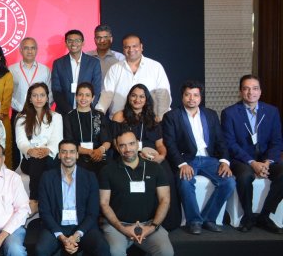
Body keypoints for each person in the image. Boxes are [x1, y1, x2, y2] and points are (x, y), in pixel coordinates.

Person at [162, 80, 235, 235]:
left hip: (210, 159)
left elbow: (221, 141)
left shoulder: (211, 114)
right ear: (182, 97)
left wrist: (224, 161)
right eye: (187, 95)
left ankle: (209, 219)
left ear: (200, 97)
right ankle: (194, 221)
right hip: (187, 160)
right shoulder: (171, 116)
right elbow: (170, 144)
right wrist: (181, 164)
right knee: (185, 182)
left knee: (229, 181)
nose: (191, 99)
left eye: (195, 95)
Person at [110, 84, 181, 230]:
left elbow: (160, 144)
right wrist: (133, 153)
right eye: (134, 95)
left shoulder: (152, 118)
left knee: (167, 175)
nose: (137, 99)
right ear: (129, 97)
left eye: (142, 96)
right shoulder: (119, 116)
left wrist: (161, 156)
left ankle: (166, 222)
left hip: (151, 156)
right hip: (128, 154)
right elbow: (115, 143)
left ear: (146, 99)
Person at [221, 75, 283, 233]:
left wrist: (268, 162)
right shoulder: (229, 113)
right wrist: (252, 163)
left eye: (255, 88)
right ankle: (248, 217)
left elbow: (276, 141)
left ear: (260, 91)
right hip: (241, 159)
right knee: (244, 176)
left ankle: (264, 215)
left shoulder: (271, 111)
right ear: (241, 91)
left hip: (266, 159)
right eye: (246, 88)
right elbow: (230, 144)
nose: (251, 92)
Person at [99, 131, 173, 256]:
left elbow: (165, 200)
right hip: (118, 225)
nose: (128, 149)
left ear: (138, 144)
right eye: (122, 145)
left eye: (131, 144)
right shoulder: (107, 171)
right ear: (117, 148)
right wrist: (122, 228)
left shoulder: (155, 168)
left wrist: (152, 227)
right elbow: (104, 203)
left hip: (149, 224)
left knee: (166, 252)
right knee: (115, 252)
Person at [36, 140, 109, 256]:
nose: (68, 156)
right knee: (41, 249)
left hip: (82, 226)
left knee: (102, 246)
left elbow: (93, 213)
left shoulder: (89, 177)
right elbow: (44, 212)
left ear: (77, 154)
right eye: (64, 152)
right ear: (59, 155)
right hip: (56, 225)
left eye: (71, 152)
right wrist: (62, 237)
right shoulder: (47, 177)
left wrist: (76, 235)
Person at [96, 34, 171, 120]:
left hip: (149, 122)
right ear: (123, 49)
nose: (131, 49)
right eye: (127, 47)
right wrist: (98, 114)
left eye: (134, 46)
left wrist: (161, 118)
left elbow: (163, 95)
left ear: (141, 47)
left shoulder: (155, 67)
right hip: (120, 121)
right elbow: (107, 94)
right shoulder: (114, 69)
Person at [15, 82, 62, 213]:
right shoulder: (21, 118)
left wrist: (47, 150)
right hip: (29, 161)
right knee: (37, 160)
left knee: (44, 162)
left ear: (47, 97)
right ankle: (39, 201)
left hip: (50, 157)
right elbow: (21, 141)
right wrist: (30, 150)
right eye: (35, 96)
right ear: (30, 98)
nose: (39, 98)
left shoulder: (57, 117)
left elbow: (57, 139)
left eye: (42, 95)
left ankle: (34, 199)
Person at [9, 37, 52, 167]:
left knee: (39, 143)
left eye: (33, 48)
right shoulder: (11, 70)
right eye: (26, 48)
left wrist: (41, 108)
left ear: (37, 50)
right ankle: (17, 171)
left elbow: (49, 92)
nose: (30, 51)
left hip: (40, 114)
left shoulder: (45, 70)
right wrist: (22, 108)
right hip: (19, 113)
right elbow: (8, 94)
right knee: (18, 146)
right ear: (20, 50)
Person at [51, 29, 103, 115]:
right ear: (66, 43)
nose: (74, 43)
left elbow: (96, 89)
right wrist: (69, 111)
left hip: (87, 112)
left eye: (77, 40)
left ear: (83, 43)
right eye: (70, 41)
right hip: (64, 113)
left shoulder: (94, 63)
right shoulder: (58, 63)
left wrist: (87, 108)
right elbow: (56, 90)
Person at [62, 83, 111, 173]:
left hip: (99, 155)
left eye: (87, 95)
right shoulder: (69, 117)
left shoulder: (99, 115)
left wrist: (100, 150)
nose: (83, 98)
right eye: (80, 95)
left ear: (93, 98)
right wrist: (90, 152)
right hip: (77, 157)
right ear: (76, 97)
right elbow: (69, 143)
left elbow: (107, 140)